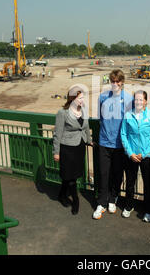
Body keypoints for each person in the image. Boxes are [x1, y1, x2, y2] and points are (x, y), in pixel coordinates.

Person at [93, 69, 133, 220]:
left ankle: (113, 198)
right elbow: (100, 118)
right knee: (103, 174)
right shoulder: (102, 97)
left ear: (122, 82)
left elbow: (129, 122)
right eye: (113, 81)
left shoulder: (129, 99)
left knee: (117, 174)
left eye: (118, 81)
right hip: (104, 142)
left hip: (120, 145)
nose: (115, 84)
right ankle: (101, 202)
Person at [53, 86, 92, 215]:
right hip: (67, 148)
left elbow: (86, 127)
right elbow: (57, 133)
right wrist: (56, 152)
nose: (82, 100)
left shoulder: (84, 110)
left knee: (71, 175)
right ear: (72, 99)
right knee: (71, 177)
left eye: (82, 98)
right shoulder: (62, 113)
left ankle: (61, 195)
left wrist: (89, 140)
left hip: (79, 146)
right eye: (80, 98)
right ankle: (75, 200)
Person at [120, 90, 150, 222]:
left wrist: (145, 153)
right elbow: (123, 134)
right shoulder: (128, 115)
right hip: (131, 156)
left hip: (146, 157)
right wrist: (130, 153)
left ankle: (149, 210)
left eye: (141, 99)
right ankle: (129, 206)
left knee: (148, 184)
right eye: (136, 99)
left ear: (146, 101)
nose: (138, 102)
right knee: (130, 182)